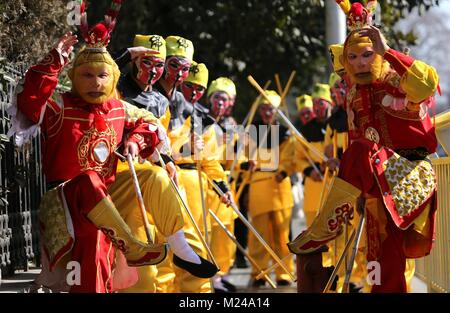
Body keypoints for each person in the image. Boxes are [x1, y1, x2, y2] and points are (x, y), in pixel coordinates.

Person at [288, 0, 439, 292]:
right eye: (353, 56)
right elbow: (356, 137)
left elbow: (427, 86)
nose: (359, 63)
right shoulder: (354, 95)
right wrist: (358, 189)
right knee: (379, 258)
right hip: (378, 179)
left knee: (361, 150)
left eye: (368, 55)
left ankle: (323, 230)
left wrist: (387, 52)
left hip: (407, 174)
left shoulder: (396, 77)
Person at [110, 35, 218, 293]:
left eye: (159, 65)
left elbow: (161, 141)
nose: (155, 71)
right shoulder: (118, 88)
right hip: (125, 177)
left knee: (169, 244)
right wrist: (126, 53)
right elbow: (100, 72)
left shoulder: (163, 102)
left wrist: (170, 160)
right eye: (149, 63)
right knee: (140, 256)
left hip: (159, 180)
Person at [244, 90, 295, 287]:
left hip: (280, 185)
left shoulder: (285, 132)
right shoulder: (251, 130)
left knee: (282, 233)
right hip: (258, 185)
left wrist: (283, 170)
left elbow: (290, 156)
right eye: (264, 109)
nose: (267, 113)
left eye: (271, 109)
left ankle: (284, 272)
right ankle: (259, 272)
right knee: (258, 234)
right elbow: (244, 154)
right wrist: (248, 162)